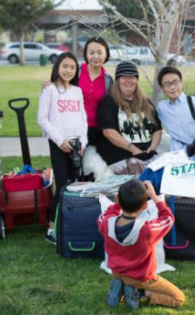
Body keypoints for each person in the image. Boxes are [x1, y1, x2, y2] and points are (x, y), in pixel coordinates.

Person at [97, 179, 185, 309]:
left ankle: (122, 285)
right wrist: (155, 197)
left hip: (116, 272)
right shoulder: (147, 230)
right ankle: (142, 292)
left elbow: (106, 214)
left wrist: (117, 205)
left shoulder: (105, 222)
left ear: (118, 200)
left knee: (124, 277)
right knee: (178, 298)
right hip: (140, 278)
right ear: (145, 206)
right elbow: (168, 218)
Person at [37, 52, 87, 245]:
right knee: (63, 183)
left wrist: (82, 141)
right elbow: (42, 119)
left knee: (76, 183)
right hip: (59, 144)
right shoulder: (49, 90)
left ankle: (71, 222)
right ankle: (51, 227)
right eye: (64, 66)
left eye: (72, 67)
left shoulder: (77, 91)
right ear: (57, 67)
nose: (68, 70)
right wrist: (60, 140)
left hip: (76, 143)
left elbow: (83, 119)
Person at [43, 36, 113, 145]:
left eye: (99, 53)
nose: (95, 56)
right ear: (86, 54)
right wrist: (48, 86)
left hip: (96, 131)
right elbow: (58, 92)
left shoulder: (108, 80)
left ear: (106, 54)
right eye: (91, 52)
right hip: (71, 129)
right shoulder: (76, 71)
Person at [96, 61, 162, 175]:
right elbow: (108, 132)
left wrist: (152, 147)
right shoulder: (109, 102)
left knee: (167, 173)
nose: (128, 80)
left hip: (147, 156)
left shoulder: (146, 102)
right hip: (122, 158)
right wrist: (134, 149)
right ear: (117, 80)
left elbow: (157, 130)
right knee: (144, 179)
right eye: (124, 77)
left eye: (132, 77)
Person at [156, 66, 195, 175]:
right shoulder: (162, 108)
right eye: (167, 84)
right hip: (175, 155)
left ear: (181, 83)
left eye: (176, 82)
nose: (172, 87)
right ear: (162, 88)